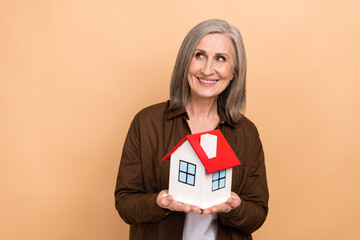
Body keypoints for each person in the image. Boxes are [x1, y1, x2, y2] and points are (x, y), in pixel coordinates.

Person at [114, 19, 269, 240]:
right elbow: (125, 203)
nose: (207, 69)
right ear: (185, 62)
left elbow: (258, 213)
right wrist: (160, 202)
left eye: (220, 59)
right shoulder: (146, 123)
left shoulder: (247, 133)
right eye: (199, 55)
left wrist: (233, 207)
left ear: (234, 72)